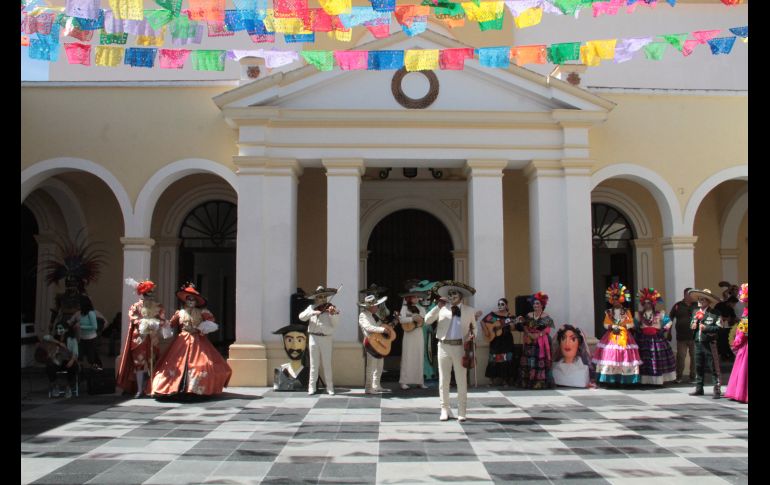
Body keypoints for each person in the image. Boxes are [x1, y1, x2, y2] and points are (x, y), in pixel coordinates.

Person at [150, 284, 232, 397]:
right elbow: (171, 324)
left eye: (193, 299)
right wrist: (163, 322)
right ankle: (174, 387)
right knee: (176, 364)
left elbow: (211, 321)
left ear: (196, 301)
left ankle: (195, 388)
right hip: (182, 341)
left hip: (198, 340)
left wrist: (204, 327)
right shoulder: (180, 313)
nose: (190, 301)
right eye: (188, 299)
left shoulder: (202, 312)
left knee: (203, 364)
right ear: (185, 300)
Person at [424, 280, 478, 422]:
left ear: (461, 296)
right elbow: (427, 320)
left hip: (461, 347)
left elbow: (475, 327)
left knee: (461, 380)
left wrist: (473, 336)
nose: (452, 297)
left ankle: (462, 411)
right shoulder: (442, 308)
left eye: (454, 294)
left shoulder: (469, 310)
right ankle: (444, 408)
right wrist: (437, 307)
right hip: (443, 346)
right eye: (450, 295)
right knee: (444, 380)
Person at [116, 279, 165, 398]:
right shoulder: (135, 307)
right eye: (148, 293)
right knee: (139, 363)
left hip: (152, 338)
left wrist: (157, 323)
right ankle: (139, 389)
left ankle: (152, 388)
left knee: (153, 362)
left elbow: (162, 319)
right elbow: (133, 318)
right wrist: (143, 322)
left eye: (151, 293)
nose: (150, 296)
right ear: (143, 294)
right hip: (139, 338)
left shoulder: (158, 307)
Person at [592, 282, 642, 386]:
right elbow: (605, 323)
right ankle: (611, 379)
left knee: (625, 355)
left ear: (621, 299)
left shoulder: (626, 312)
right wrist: (612, 327)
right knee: (610, 354)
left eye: (617, 299)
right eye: (613, 299)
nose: (615, 301)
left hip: (624, 335)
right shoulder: (609, 312)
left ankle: (625, 379)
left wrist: (623, 327)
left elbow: (631, 323)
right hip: (611, 336)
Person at [299, 285, 340, 395]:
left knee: (327, 364)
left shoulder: (330, 308)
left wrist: (332, 314)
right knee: (314, 364)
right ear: (316, 297)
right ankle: (311, 387)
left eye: (323, 296)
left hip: (326, 338)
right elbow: (301, 317)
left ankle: (330, 387)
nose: (321, 299)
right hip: (313, 337)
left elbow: (335, 324)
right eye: (319, 296)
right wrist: (312, 313)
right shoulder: (311, 307)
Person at [635, 288, 676, 386]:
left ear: (653, 303)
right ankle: (645, 380)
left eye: (649, 303)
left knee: (656, 359)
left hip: (657, 339)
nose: (647, 304)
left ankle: (657, 380)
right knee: (645, 360)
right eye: (645, 303)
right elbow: (635, 325)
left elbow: (669, 321)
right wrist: (637, 330)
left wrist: (664, 329)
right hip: (643, 340)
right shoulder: (639, 315)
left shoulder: (659, 314)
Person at [688, 288, 723, 398]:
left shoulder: (715, 313)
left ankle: (717, 390)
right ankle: (699, 388)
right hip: (698, 342)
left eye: (702, 300)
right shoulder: (695, 312)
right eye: (699, 299)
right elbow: (692, 324)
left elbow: (719, 327)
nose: (700, 301)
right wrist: (692, 326)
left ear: (708, 301)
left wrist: (706, 328)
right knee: (698, 366)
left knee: (713, 367)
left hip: (709, 343)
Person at [515, 292, 554, 389]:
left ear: (542, 305)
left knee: (539, 361)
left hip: (540, 341)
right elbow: (524, 326)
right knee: (528, 361)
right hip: (529, 340)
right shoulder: (528, 315)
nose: (535, 305)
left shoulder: (546, 316)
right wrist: (528, 334)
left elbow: (548, 329)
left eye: (538, 304)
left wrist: (538, 335)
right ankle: (527, 381)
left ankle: (539, 382)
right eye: (534, 303)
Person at [359, 294, 394, 394]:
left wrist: (388, 326)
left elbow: (379, 326)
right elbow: (368, 328)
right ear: (369, 307)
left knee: (379, 366)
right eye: (375, 305)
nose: (377, 307)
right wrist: (383, 329)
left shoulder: (375, 315)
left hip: (378, 342)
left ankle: (376, 385)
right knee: (371, 366)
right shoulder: (363, 315)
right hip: (370, 343)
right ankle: (368, 388)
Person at [481, 298, 517, 387]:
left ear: (506, 305)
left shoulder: (510, 316)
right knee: (493, 359)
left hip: (506, 340)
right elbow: (482, 322)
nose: (500, 306)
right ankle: (491, 381)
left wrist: (513, 324)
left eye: (502, 304)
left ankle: (505, 380)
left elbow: (513, 329)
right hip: (495, 340)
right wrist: (486, 331)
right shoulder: (493, 315)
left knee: (506, 359)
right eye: (499, 304)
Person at [397, 287, 428, 390]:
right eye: (413, 297)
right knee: (407, 357)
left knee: (419, 357)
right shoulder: (405, 308)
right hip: (409, 335)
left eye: (416, 297)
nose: (415, 299)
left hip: (418, 334)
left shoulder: (422, 308)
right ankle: (404, 382)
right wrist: (412, 318)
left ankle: (420, 381)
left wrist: (419, 319)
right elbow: (401, 320)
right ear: (409, 298)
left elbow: (423, 321)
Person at [41, 322, 80, 398]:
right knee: (49, 366)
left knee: (74, 366)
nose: (58, 330)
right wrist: (58, 342)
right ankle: (55, 385)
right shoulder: (55, 338)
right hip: (57, 360)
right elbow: (45, 337)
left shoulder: (72, 339)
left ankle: (68, 387)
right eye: (57, 328)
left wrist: (72, 360)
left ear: (66, 329)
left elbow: (75, 353)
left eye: (61, 328)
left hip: (67, 360)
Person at [724, 283, 748, 404]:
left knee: (744, 368)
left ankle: (743, 393)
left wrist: (736, 343)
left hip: (746, 347)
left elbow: (743, 331)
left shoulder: (746, 314)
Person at [552, 324, 594, 388]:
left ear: (579, 344)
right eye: (563, 338)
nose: (567, 343)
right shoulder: (554, 369)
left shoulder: (583, 370)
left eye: (573, 339)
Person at [669, 287, 697, 383]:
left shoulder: (697, 305)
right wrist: (669, 332)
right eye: (690, 294)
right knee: (681, 357)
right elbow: (670, 319)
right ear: (685, 295)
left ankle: (693, 377)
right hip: (681, 337)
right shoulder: (678, 305)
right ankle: (679, 376)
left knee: (694, 357)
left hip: (694, 336)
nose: (692, 296)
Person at [272, 323, 310, 391]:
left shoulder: (309, 372)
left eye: (299, 340)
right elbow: (277, 386)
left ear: (306, 343)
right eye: (289, 340)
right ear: (284, 342)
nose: (294, 346)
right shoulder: (280, 371)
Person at [69, 295, 102, 370]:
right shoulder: (80, 313)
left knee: (91, 359)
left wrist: (81, 327)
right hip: (82, 339)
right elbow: (72, 321)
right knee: (79, 357)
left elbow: (94, 327)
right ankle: (80, 375)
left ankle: (92, 375)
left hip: (91, 339)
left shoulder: (91, 313)